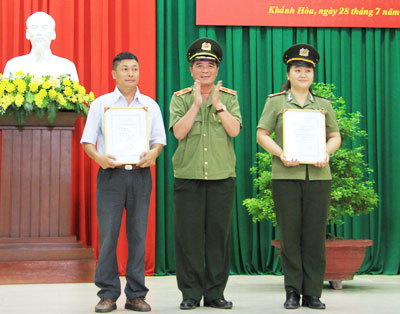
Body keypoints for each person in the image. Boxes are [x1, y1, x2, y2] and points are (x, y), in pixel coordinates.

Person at [256, 44, 341, 310]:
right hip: (285, 175)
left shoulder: (323, 105)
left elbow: (335, 136)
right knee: (290, 236)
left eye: (307, 70)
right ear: (289, 73)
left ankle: (313, 292)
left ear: (313, 74)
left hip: (318, 176)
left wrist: (325, 153)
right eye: (297, 70)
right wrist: (282, 154)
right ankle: (292, 291)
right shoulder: (276, 102)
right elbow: (261, 134)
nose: (303, 74)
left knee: (315, 236)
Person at [81, 52, 166, 313]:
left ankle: (136, 295)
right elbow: (87, 141)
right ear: (114, 74)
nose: (131, 73)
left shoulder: (150, 105)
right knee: (108, 236)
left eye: (135, 69)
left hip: (140, 175)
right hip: (111, 175)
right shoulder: (101, 104)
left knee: (138, 236)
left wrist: (153, 154)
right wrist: (99, 158)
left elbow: (158, 141)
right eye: (125, 69)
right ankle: (107, 294)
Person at [169, 38, 242, 310]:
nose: (205, 70)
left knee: (218, 237)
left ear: (217, 69)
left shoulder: (230, 98)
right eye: (199, 65)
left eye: (210, 65)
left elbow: (234, 131)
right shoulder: (180, 98)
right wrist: (197, 105)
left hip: (222, 176)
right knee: (188, 238)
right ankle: (190, 293)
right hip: (188, 176)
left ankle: (215, 293)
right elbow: (179, 132)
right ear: (191, 70)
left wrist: (219, 106)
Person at [2, 11, 79, 81]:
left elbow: (76, 96)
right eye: (34, 27)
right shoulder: (13, 65)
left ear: (53, 34)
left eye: (44, 27)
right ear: (27, 34)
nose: (39, 32)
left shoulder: (66, 67)